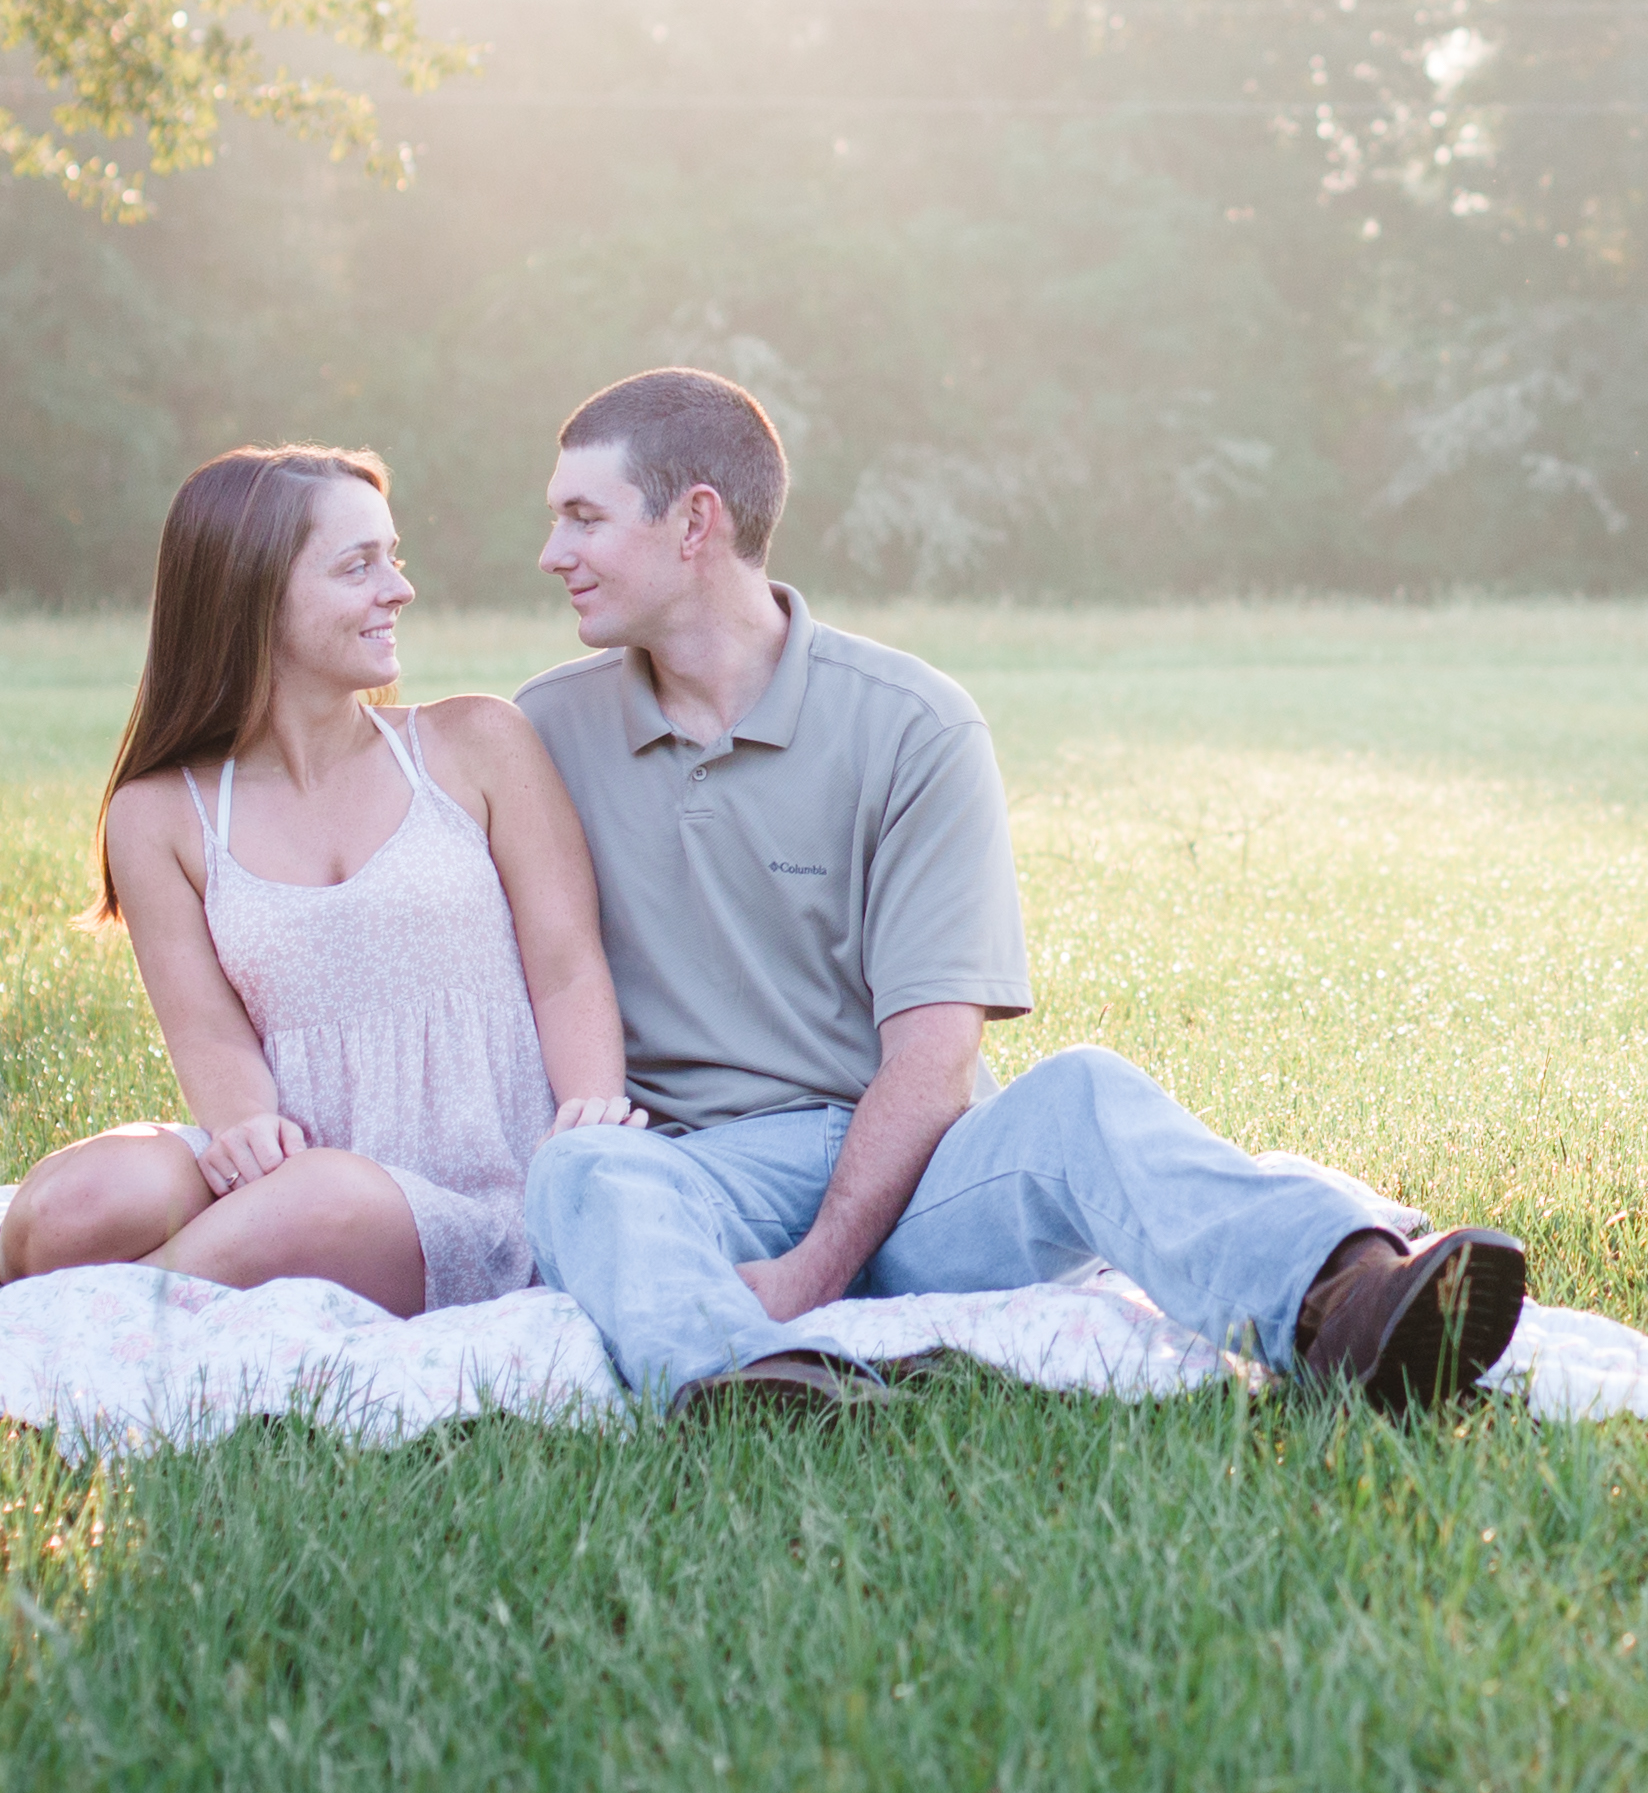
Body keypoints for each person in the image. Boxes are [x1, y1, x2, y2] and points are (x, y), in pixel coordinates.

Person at [516, 367, 1528, 1414]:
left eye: (582, 517)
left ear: (694, 522)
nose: (552, 554)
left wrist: (814, 1270)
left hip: (915, 1175)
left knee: (1082, 1092)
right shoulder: (539, 733)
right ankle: (748, 1383)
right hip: (698, 1182)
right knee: (582, 1167)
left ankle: (1351, 1304)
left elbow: (933, 1053)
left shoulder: (910, 722)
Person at [0, 443, 648, 1316]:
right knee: (76, 1203)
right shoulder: (160, 813)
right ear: (251, 593)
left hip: (476, 1199)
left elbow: (567, 963)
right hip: (282, 1174)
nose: (398, 587)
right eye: (359, 565)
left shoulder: (476, 744)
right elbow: (207, 1030)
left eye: (393, 557)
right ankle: (10, 1289)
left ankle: (43, 1319)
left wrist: (583, 1131)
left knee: (320, 1198)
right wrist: (240, 1124)